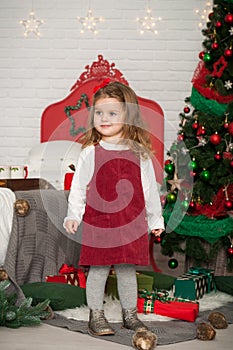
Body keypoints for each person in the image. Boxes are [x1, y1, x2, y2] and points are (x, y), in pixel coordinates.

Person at [64, 80, 164, 336]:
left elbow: (150, 190)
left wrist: (156, 221)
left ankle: (130, 315)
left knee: (127, 269)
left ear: (127, 116)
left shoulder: (138, 152)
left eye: (112, 113)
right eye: (99, 113)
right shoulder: (90, 153)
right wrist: (73, 215)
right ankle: (95, 315)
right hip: (100, 221)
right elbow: (78, 188)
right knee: (97, 269)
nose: (104, 118)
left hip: (131, 222)